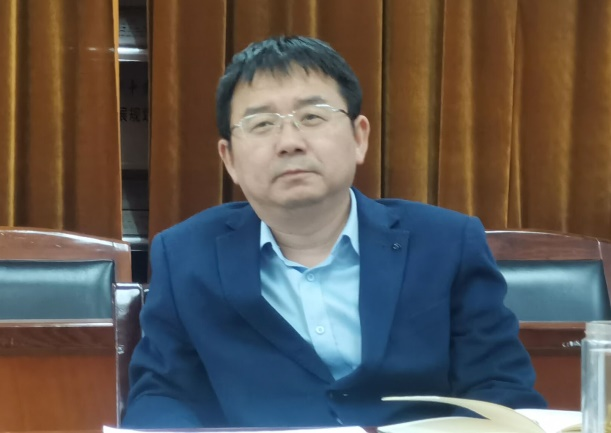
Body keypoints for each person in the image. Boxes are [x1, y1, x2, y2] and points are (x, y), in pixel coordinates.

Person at [122, 35, 546, 428]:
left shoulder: (447, 242)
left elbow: (500, 390)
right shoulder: (185, 255)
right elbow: (161, 396)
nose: (289, 142)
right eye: (262, 124)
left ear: (359, 137)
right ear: (229, 158)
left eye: (312, 116)